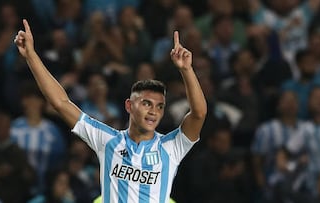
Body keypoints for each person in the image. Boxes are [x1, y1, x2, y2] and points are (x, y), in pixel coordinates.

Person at [14, 19, 207, 203]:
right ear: (129, 106)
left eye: (159, 106)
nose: (153, 111)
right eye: (146, 103)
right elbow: (61, 103)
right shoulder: (108, 141)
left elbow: (198, 114)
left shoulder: (170, 147)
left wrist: (186, 70)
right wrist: (31, 55)